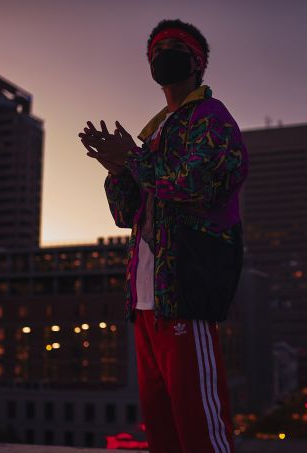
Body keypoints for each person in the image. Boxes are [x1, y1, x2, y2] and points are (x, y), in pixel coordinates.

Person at [79, 18, 248, 453]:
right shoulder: (155, 132)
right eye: (153, 51)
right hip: (145, 300)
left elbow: (191, 185)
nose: (160, 56)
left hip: (186, 290)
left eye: (173, 48)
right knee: (161, 427)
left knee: (199, 423)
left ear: (198, 61)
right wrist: (117, 171)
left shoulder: (212, 119)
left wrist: (132, 161)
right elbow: (126, 215)